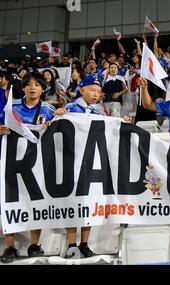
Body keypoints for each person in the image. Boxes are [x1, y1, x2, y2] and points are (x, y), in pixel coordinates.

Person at [0, 72, 55, 263]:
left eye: (37, 85)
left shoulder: (49, 109)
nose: (33, 88)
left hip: (37, 164)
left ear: (43, 88)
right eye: (28, 84)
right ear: (22, 87)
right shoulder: (10, 108)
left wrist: (57, 120)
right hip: (11, 163)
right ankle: (9, 248)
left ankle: (33, 245)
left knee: (36, 202)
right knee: (10, 202)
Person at [54, 75, 108, 258]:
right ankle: (71, 244)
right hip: (71, 161)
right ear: (81, 90)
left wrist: (121, 122)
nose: (96, 94)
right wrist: (58, 114)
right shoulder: (69, 108)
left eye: (99, 92)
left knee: (90, 203)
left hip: (92, 162)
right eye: (92, 90)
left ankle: (85, 243)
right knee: (72, 202)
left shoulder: (100, 113)